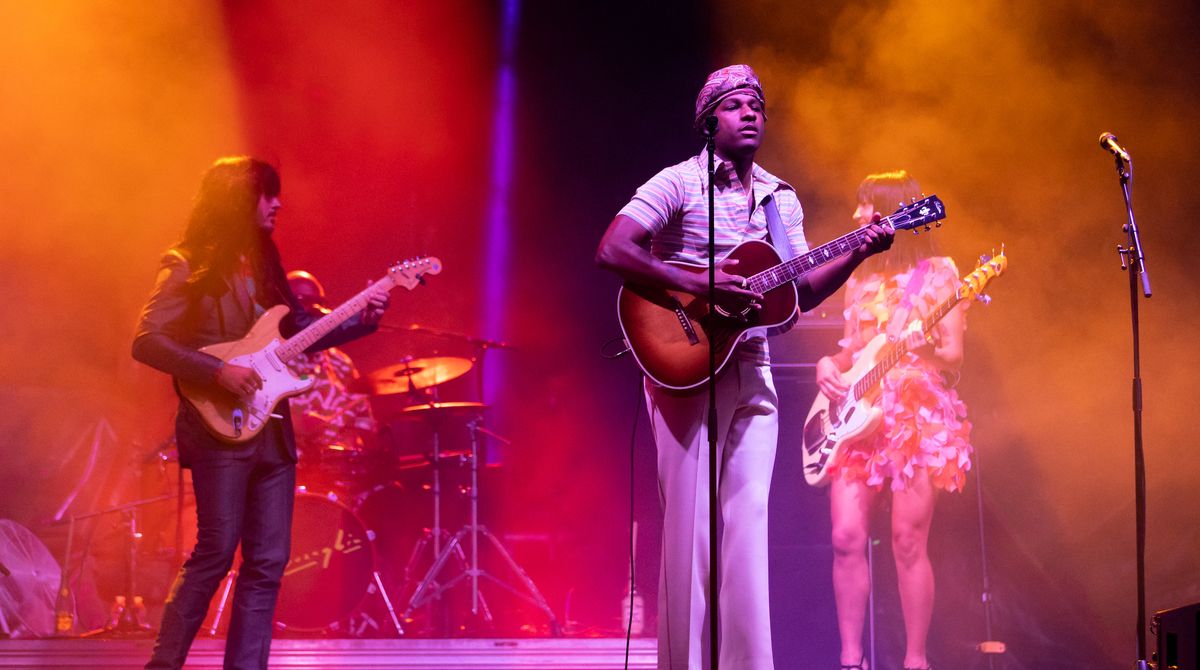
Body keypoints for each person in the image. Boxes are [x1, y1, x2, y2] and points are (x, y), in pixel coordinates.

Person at [595, 65, 894, 670]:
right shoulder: (676, 182)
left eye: (758, 105)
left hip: (750, 364)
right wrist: (696, 279)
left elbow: (802, 290)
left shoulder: (780, 198)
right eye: (735, 105)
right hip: (681, 363)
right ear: (709, 121)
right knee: (689, 533)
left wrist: (860, 248)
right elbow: (613, 249)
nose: (751, 113)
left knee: (748, 532)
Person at [132, 156, 390, 670]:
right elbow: (147, 341)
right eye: (267, 194)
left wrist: (361, 322)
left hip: (271, 430)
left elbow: (296, 333)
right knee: (214, 555)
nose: (278, 204)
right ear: (236, 199)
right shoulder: (184, 262)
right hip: (216, 427)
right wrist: (215, 372)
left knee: (269, 563)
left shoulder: (266, 260)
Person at [814, 170, 972, 670]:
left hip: (915, 413)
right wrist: (825, 366)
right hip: (858, 415)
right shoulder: (858, 276)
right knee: (844, 537)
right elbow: (849, 355)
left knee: (907, 541)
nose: (857, 216)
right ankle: (850, 659)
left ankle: (915, 660)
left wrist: (923, 346)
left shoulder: (940, 271)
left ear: (890, 212)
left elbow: (952, 354)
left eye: (865, 206)